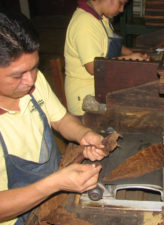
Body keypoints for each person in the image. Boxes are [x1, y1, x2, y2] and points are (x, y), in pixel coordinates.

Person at [0, 12, 106, 225]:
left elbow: (60, 119)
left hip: (52, 192)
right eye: (17, 75)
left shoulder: (33, 82)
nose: (30, 80)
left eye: (34, 67)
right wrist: (55, 184)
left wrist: (84, 134)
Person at [64, 0, 150, 116]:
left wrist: (132, 53)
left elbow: (110, 44)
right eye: (120, 3)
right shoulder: (84, 23)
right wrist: (130, 59)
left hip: (102, 88)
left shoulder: (101, 18)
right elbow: (93, 67)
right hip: (87, 100)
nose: (122, 10)